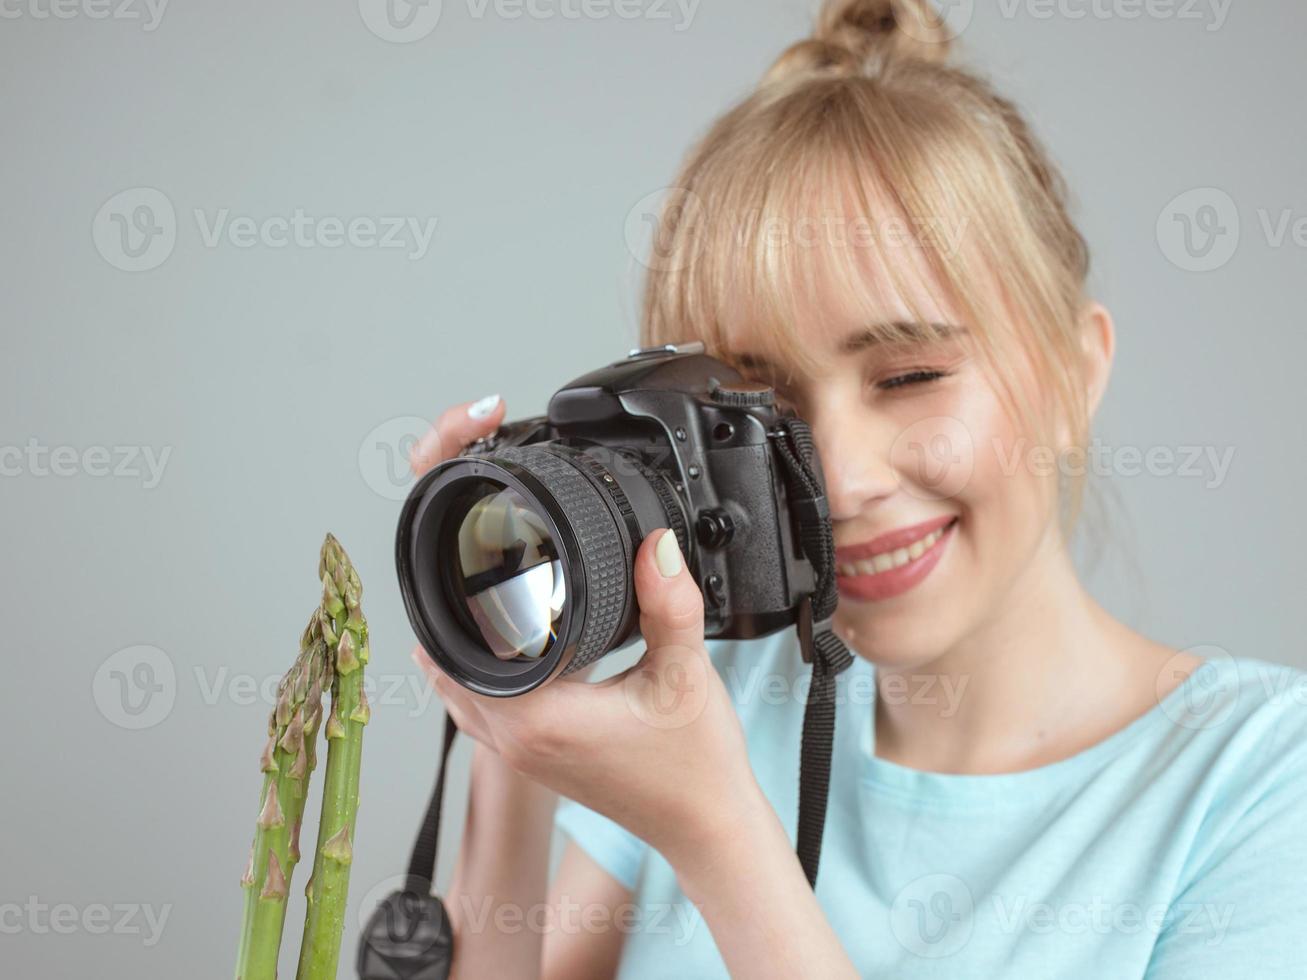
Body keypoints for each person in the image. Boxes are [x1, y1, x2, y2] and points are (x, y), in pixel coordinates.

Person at [408, 1, 1307, 976]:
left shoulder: (1258, 782)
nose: (836, 479)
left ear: (1072, 373)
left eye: (908, 377)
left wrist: (718, 831)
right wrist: (513, 712)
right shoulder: (713, 698)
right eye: (762, 407)